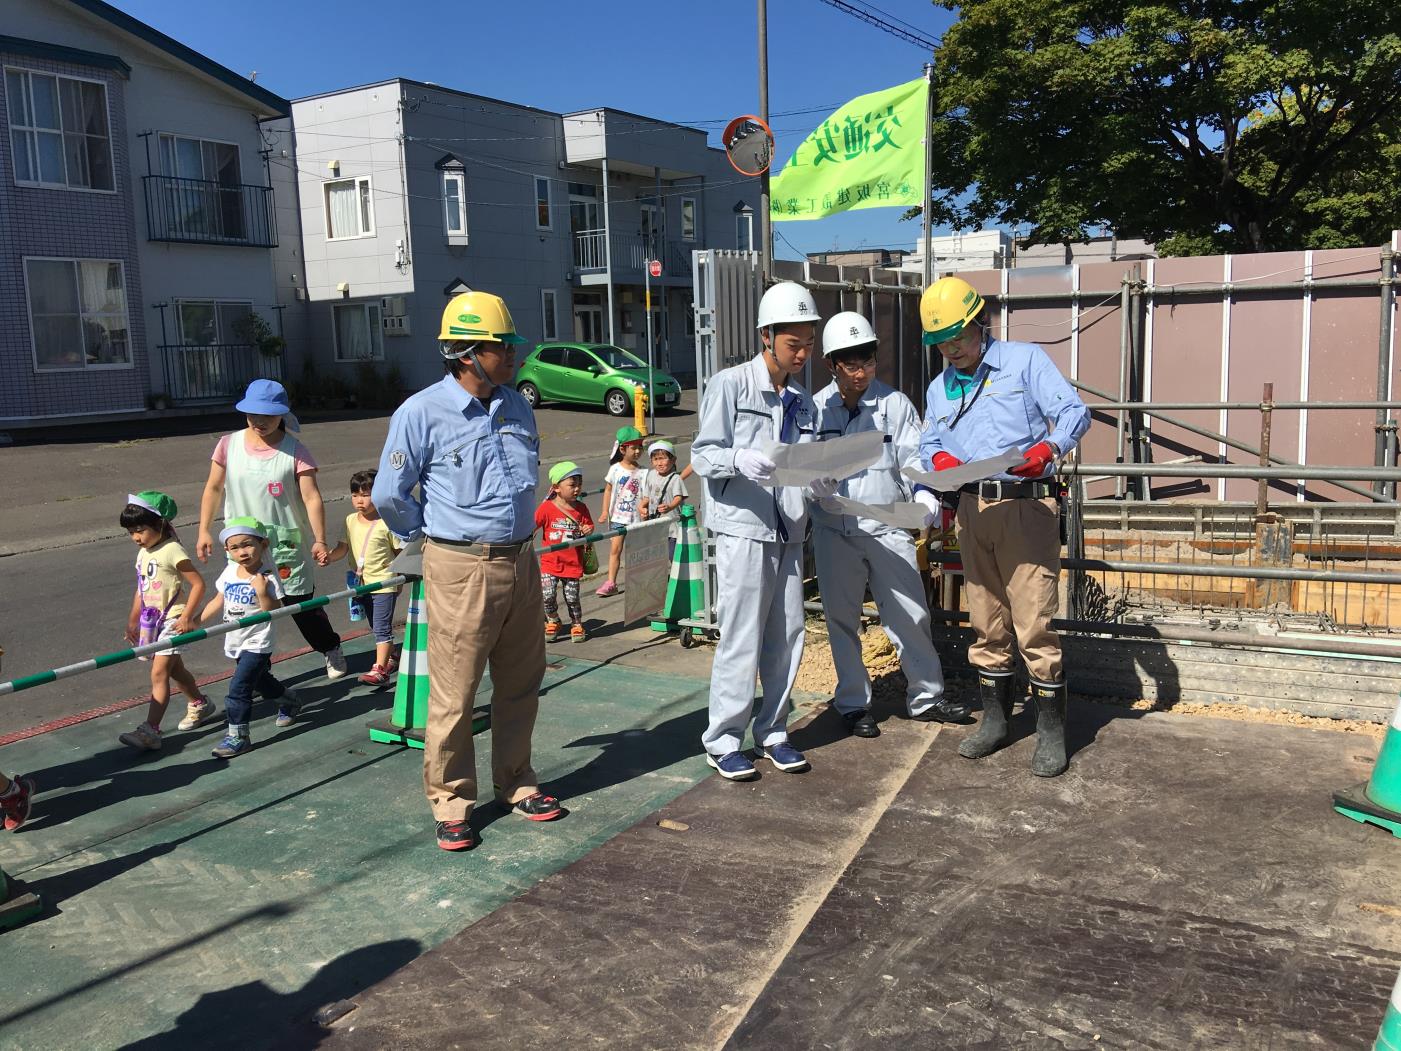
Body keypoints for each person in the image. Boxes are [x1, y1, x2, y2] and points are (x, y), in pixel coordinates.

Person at [372, 289, 564, 852]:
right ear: (465, 352)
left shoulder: (517, 404)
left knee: (522, 682)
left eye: (510, 345)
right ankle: (453, 801)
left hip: (521, 560)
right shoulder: (421, 412)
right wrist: (427, 539)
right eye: (502, 346)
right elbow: (390, 495)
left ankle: (517, 782)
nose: (513, 356)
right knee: (455, 694)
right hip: (460, 565)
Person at [917, 275, 1090, 777]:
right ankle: (995, 720)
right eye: (941, 343)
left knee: (1035, 621)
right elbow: (928, 442)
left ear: (980, 321)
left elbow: (1073, 411)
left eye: (958, 337)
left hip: (1025, 506)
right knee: (985, 621)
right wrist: (940, 455)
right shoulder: (939, 388)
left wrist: (1049, 449)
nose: (952, 349)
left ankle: (1051, 730)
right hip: (972, 511)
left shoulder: (1024, 362)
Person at [692, 281, 837, 781]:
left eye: (808, 343)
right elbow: (703, 455)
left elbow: (805, 463)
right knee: (741, 635)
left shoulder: (804, 402)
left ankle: (774, 730)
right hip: (744, 531)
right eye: (793, 343)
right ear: (766, 337)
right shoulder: (729, 385)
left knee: (789, 634)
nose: (802, 353)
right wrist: (737, 457)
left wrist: (819, 479)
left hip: (790, 531)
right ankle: (723, 739)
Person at [810, 313, 973, 738]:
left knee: (909, 613)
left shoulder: (893, 404)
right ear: (831, 364)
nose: (861, 372)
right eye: (851, 364)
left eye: (867, 361)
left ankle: (927, 696)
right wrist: (815, 487)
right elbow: (802, 466)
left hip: (887, 528)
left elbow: (913, 457)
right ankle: (852, 703)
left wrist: (925, 496)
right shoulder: (815, 409)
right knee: (842, 619)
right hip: (834, 530)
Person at [195, 379, 346, 680]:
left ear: (282, 414)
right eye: (253, 414)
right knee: (247, 608)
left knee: (300, 606)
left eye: (267, 415)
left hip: (286, 544)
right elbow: (213, 488)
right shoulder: (228, 444)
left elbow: (311, 497)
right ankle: (256, 672)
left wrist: (319, 539)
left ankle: (330, 647)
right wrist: (203, 530)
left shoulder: (295, 450)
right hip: (243, 545)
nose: (259, 421)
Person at [117, 491, 216, 750]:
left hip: (172, 620)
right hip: (153, 622)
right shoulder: (144, 553)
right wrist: (132, 620)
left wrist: (187, 618)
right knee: (175, 670)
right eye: (131, 532)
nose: (136, 537)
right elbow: (142, 588)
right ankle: (199, 703)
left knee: (159, 672)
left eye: (140, 530)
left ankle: (150, 730)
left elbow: (198, 585)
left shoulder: (172, 550)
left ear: (159, 524)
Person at [199, 517, 301, 759]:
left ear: (263, 544)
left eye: (248, 545)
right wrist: (194, 621)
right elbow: (218, 599)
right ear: (227, 550)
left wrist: (261, 591)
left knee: (238, 689)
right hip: (236, 639)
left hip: (258, 642)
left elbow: (272, 610)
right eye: (235, 547)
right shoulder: (230, 571)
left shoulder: (266, 576)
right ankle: (288, 700)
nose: (242, 552)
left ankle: (238, 736)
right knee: (259, 681)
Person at [325, 470, 402, 687]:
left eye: (366, 495)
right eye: (355, 495)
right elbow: (342, 548)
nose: (360, 500)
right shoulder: (350, 520)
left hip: (384, 582)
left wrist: (399, 580)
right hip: (361, 583)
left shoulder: (387, 522)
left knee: (381, 626)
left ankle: (380, 670)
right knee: (374, 623)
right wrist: (329, 557)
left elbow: (398, 553)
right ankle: (392, 655)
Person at [534, 461, 596, 643]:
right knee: (547, 595)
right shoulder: (546, 508)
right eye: (572, 484)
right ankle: (553, 619)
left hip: (572, 564)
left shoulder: (581, 508)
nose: (577, 489)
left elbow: (589, 525)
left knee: (572, 598)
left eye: (579, 484)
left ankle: (577, 624)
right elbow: (532, 527)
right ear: (556, 487)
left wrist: (588, 530)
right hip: (550, 563)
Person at [595, 426, 645, 597]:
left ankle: (637, 581)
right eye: (634, 447)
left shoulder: (644, 471)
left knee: (636, 552)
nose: (638, 451)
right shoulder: (615, 469)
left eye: (640, 446)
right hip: (618, 517)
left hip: (637, 519)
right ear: (623, 449)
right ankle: (611, 582)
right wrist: (604, 511)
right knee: (615, 550)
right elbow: (608, 490)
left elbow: (646, 495)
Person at [638, 439, 689, 560]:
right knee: (657, 557)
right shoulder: (651, 475)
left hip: (672, 527)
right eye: (656, 459)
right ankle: (661, 577)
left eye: (663, 458)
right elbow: (647, 497)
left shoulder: (675, 478)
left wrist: (670, 506)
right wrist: (641, 507)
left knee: (672, 555)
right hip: (655, 525)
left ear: (673, 460)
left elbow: (679, 497)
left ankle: (675, 576)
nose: (659, 463)